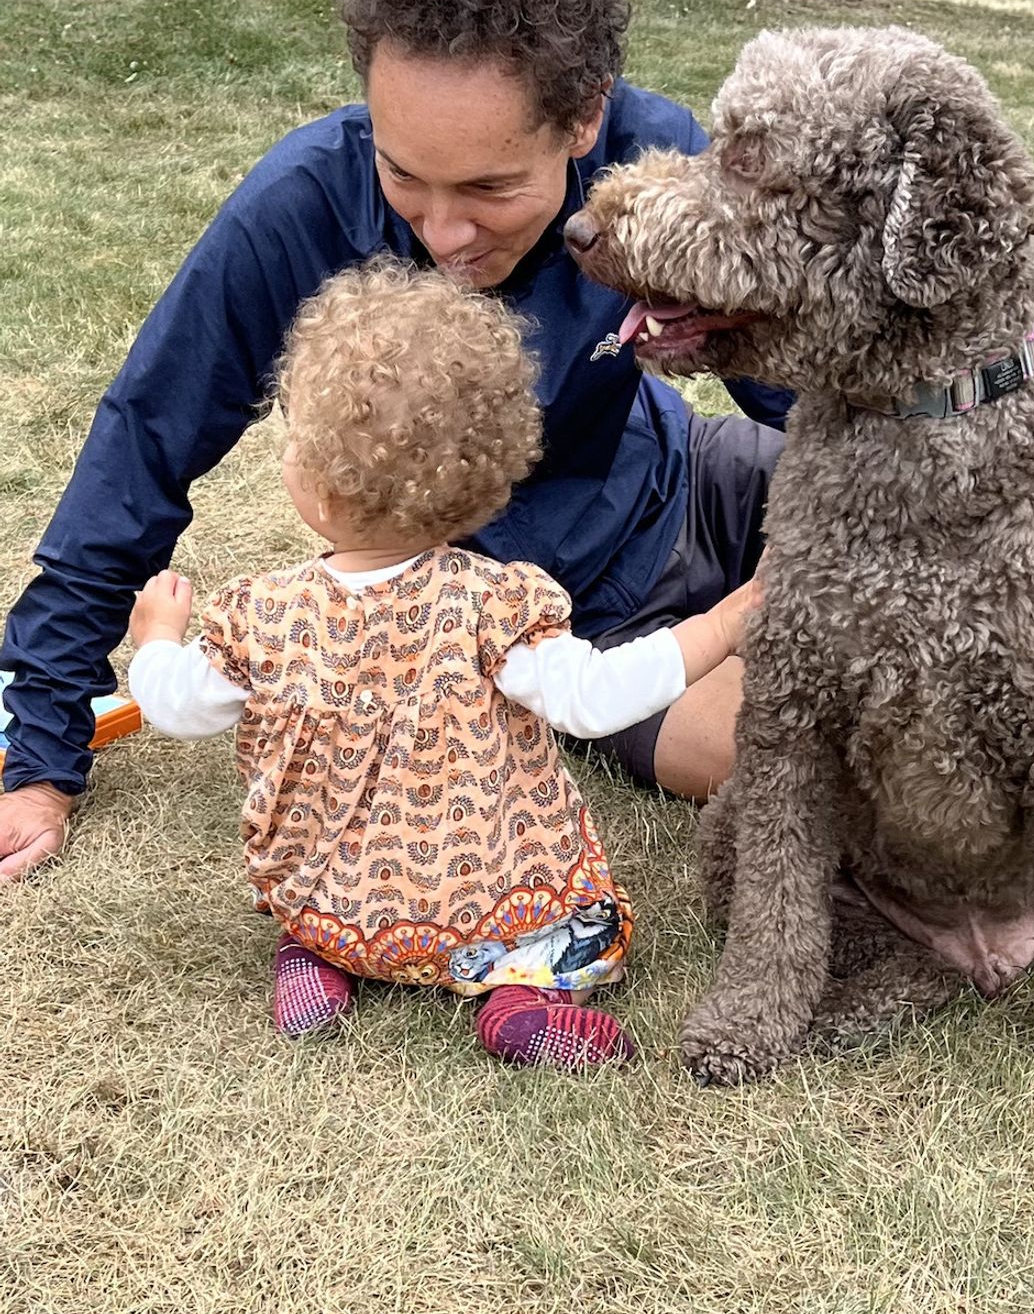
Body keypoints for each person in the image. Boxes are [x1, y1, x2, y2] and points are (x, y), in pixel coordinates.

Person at [3, 0, 1034, 884]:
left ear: (585, 117)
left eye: (492, 187)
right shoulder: (293, 210)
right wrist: (36, 747)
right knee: (814, 754)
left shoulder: (663, 172)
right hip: (572, 634)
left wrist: (948, 424)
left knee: (1014, 446)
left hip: (702, 481)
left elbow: (853, 405)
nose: (442, 232)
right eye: (405, 177)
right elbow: (138, 450)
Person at [126, 258, 760, 1057]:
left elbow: (179, 707)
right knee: (564, 922)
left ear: (317, 489)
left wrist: (155, 640)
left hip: (339, 900)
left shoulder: (263, 616)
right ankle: (520, 998)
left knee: (310, 890)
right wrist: (730, 618)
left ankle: (313, 953)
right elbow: (597, 698)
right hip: (487, 911)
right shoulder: (497, 605)